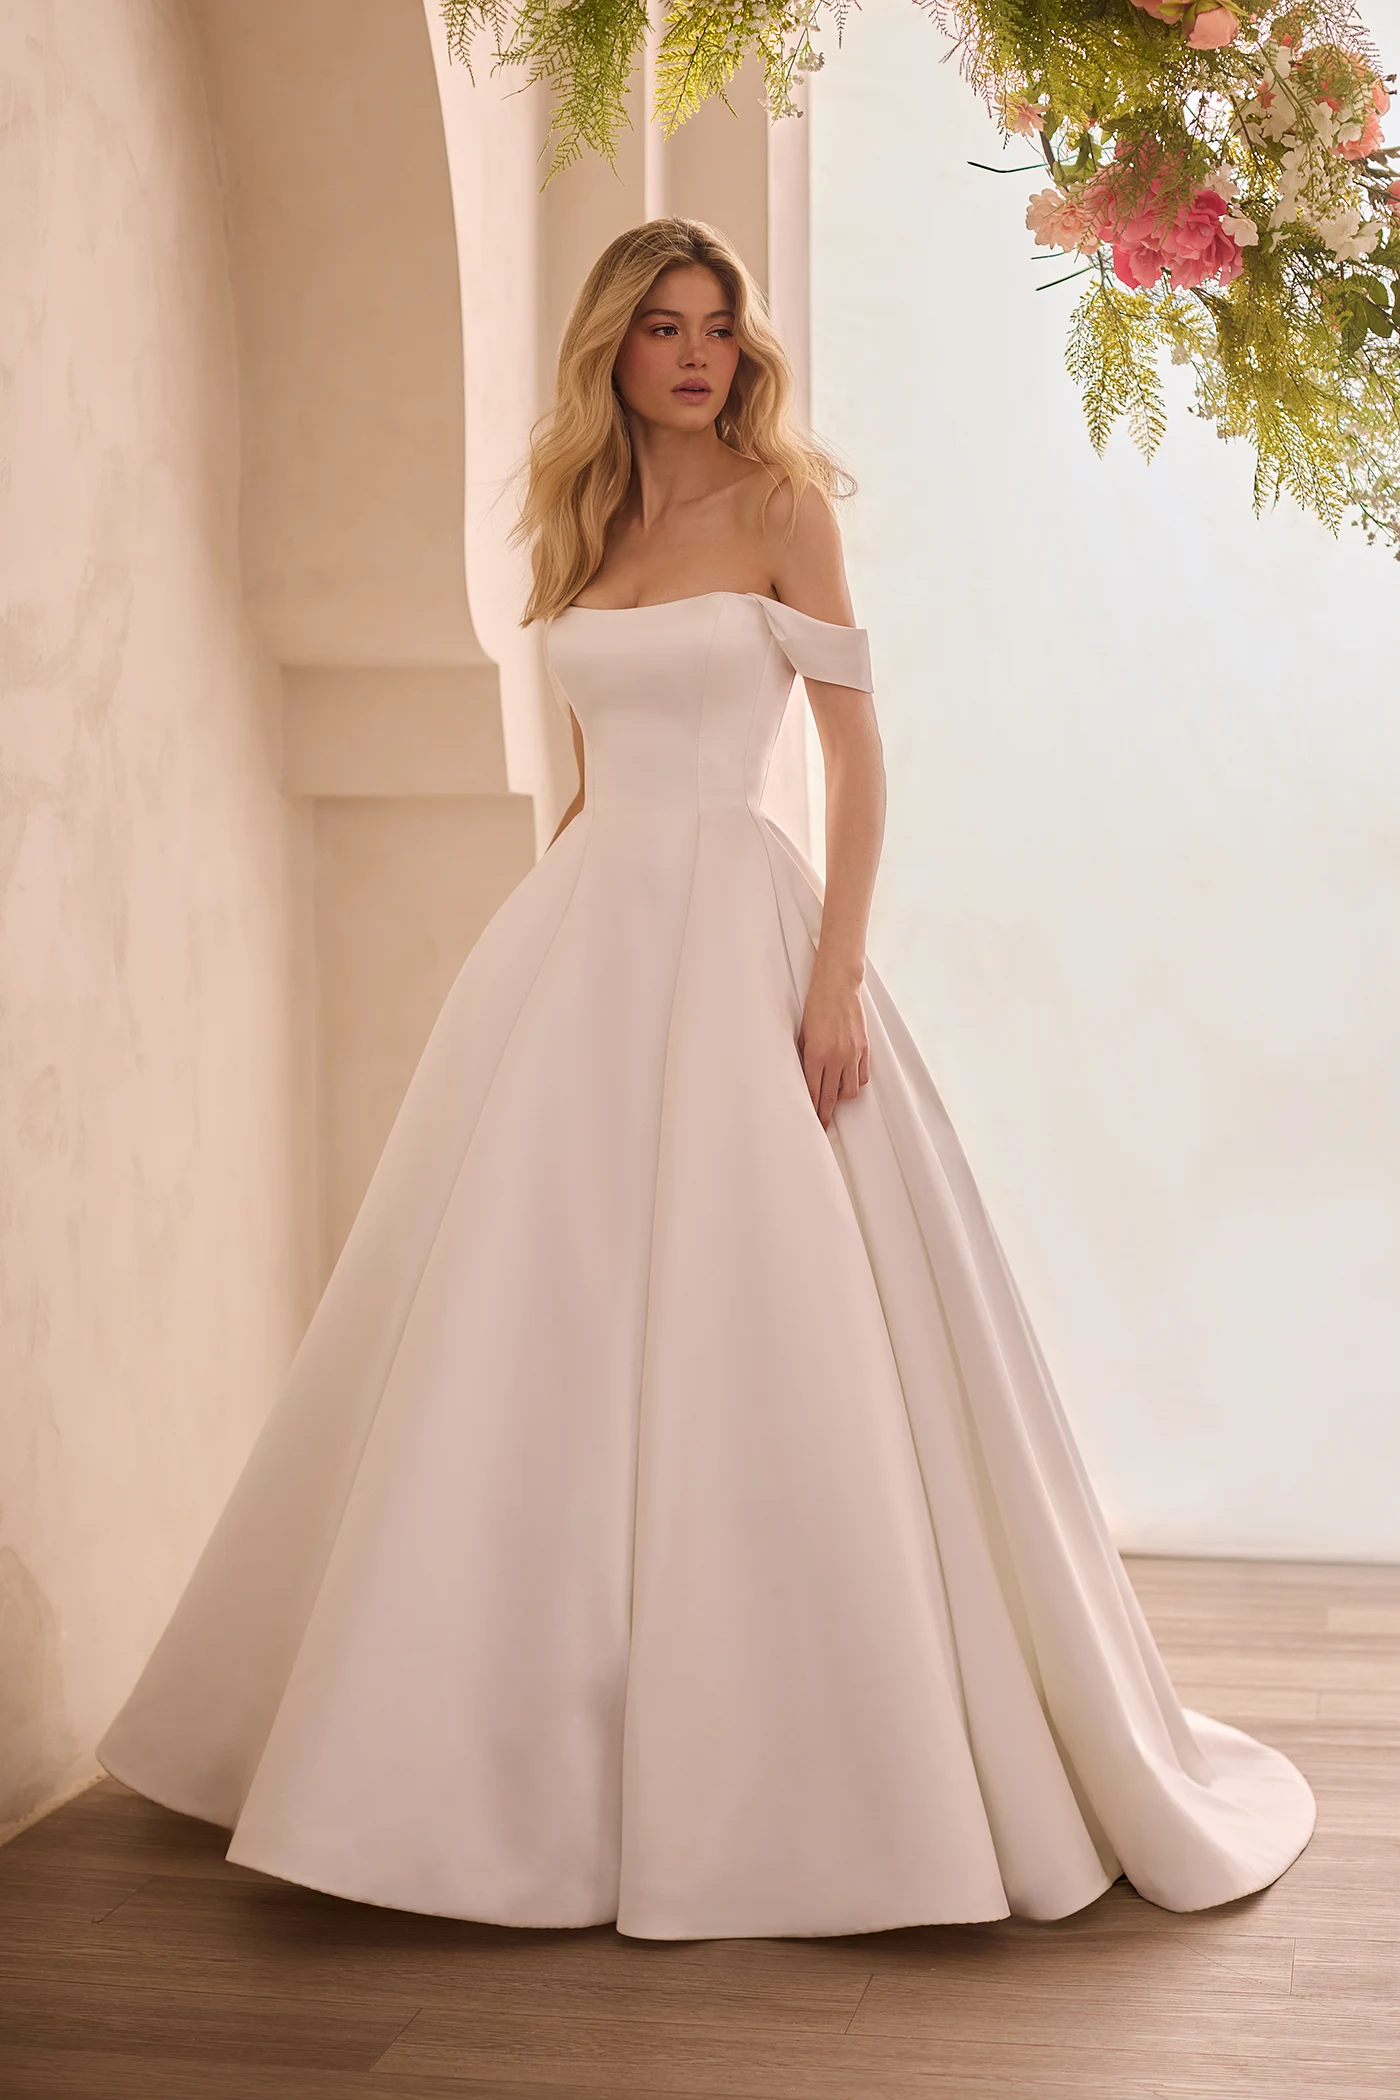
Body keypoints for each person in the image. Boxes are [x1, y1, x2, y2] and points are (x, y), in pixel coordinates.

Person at [98, 217, 1315, 1939]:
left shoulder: (780, 506)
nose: (697, 354)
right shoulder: (589, 519)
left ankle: (792, 1772)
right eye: (663, 327)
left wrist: (832, 981)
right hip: (581, 939)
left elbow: (854, 764)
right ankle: (484, 1771)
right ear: (613, 348)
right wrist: (528, 954)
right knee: (530, 1334)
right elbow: (593, 778)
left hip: (743, 935)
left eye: (718, 327)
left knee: (769, 1319)